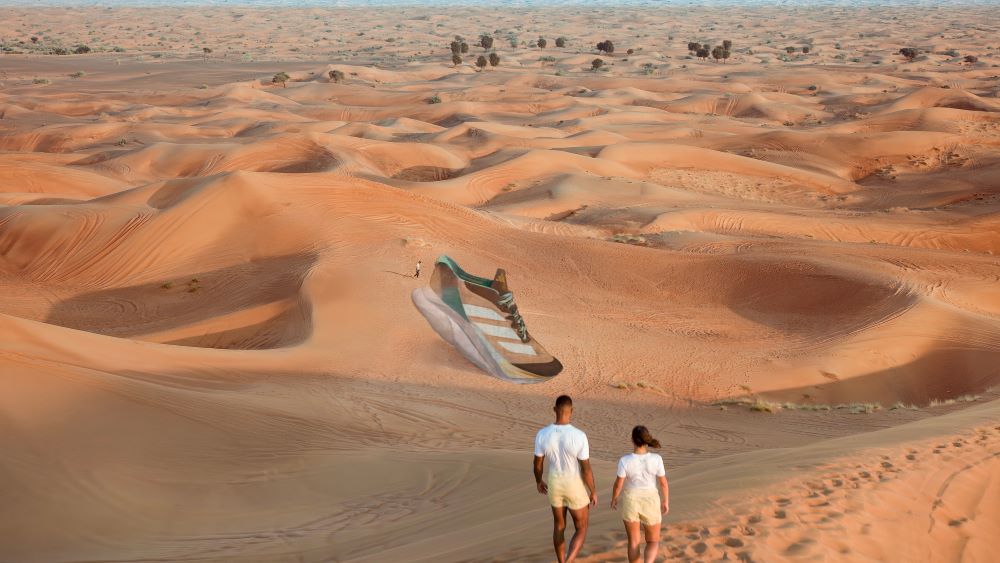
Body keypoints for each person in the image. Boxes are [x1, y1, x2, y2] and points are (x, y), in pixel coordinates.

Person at [533, 395, 597, 563]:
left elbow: (538, 463)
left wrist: (539, 481)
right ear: (572, 411)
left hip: (554, 483)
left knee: (559, 526)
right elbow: (586, 468)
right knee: (581, 528)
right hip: (574, 484)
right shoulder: (579, 435)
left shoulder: (542, 434)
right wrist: (593, 491)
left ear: (555, 410)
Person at [610, 426, 669, 563]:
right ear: (647, 439)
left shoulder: (625, 460)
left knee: (634, 542)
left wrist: (614, 498)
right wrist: (665, 501)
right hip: (651, 500)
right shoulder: (656, 459)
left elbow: (619, 483)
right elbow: (663, 483)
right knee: (653, 541)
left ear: (632, 440)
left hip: (631, 500)